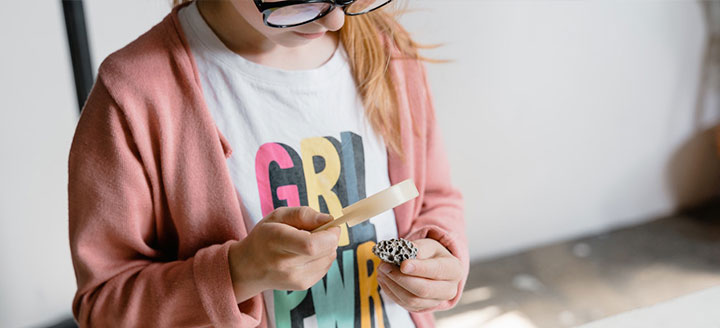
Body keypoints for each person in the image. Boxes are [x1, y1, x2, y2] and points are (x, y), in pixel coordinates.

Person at [68, 0, 469, 327]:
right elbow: (103, 306)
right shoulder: (135, 94)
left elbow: (434, 198)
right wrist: (238, 272)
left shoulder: (387, 52)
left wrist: (440, 259)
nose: (335, 18)